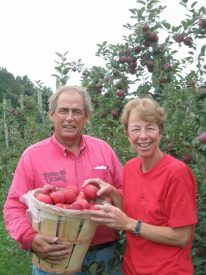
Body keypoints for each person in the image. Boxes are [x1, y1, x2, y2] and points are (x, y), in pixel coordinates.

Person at [3, 86, 123, 275]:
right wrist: (30, 239)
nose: (69, 118)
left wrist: (114, 197)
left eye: (77, 111)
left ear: (87, 116)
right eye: (63, 111)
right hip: (54, 258)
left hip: (104, 256)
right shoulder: (33, 156)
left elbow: (126, 193)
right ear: (51, 114)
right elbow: (14, 207)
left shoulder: (104, 150)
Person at [85, 97, 198, 275]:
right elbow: (134, 213)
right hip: (133, 269)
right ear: (127, 134)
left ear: (160, 132)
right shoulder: (130, 168)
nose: (143, 136)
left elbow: (181, 237)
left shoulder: (177, 173)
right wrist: (113, 193)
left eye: (150, 128)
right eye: (136, 129)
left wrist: (129, 224)